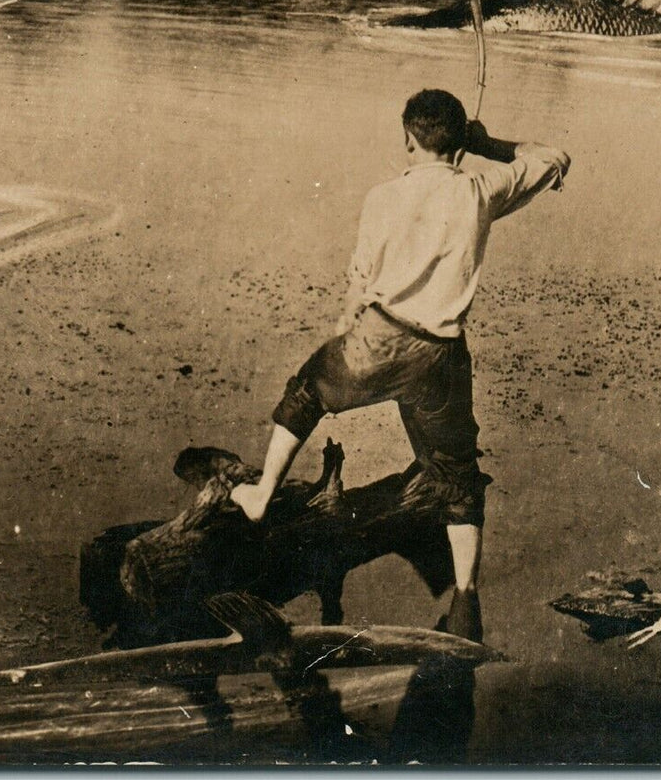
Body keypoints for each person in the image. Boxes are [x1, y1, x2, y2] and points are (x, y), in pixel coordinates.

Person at [228, 88, 570, 642]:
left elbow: (360, 280)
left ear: (408, 139)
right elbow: (554, 158)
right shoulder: (480, 190)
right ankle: (465, 594)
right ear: (458, 143)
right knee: (458, 477)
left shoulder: (382, 197)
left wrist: (345, 326)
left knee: (307, 391)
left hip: (378, 340)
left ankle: (262, 494)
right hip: (439, 356)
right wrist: (488, 144)